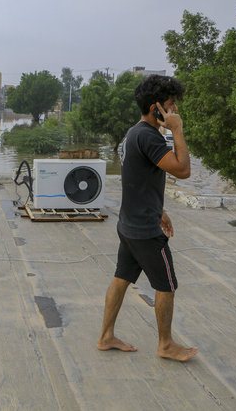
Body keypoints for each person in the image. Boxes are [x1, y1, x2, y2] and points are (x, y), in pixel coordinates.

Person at [96, 75, 198, 362]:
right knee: (166, 285)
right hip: (145, 231)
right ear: (156, 108)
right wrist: (177, 130)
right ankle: (165, 344)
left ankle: (105, 336)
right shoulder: (150, 136)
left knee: (121, 278)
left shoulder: (134, 133)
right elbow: (183, 170)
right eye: (170, 105)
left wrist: (160, 210)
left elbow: (137, 181)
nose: (174, 110)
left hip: (129, 224)